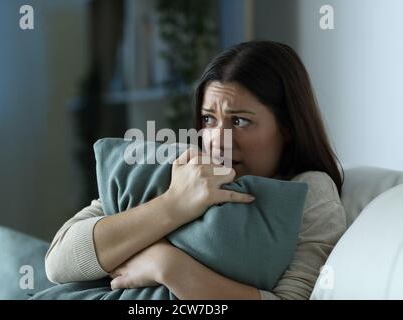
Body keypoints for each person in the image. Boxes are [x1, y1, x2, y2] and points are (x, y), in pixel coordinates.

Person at [44, 40, 347, 300]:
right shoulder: (181, 168)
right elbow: (58, 263)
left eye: (240, 121)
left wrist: (167, 266)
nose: (217, 140)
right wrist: (174, 204)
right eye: (208, 120)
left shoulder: (311, 190)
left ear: (288, 127)